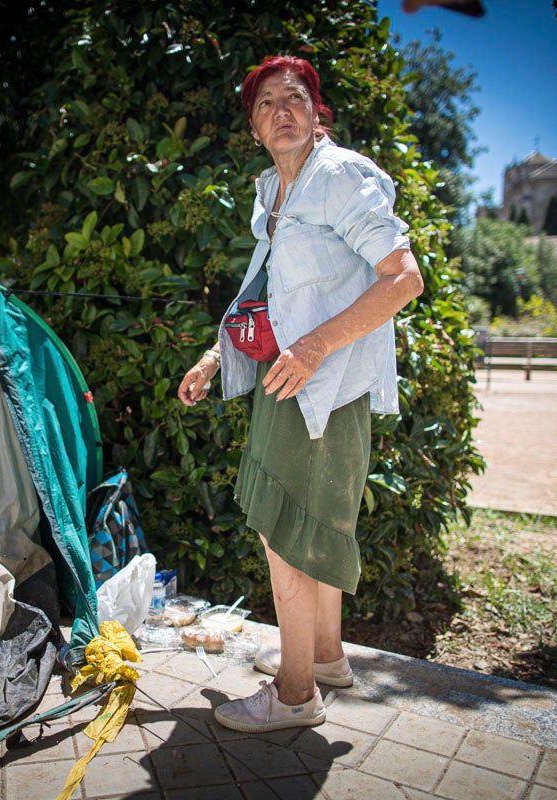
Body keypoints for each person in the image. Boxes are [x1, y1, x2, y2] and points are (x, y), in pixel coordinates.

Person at [177, 55, 424, 733]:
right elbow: (263, 288)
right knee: (307, 525)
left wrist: (316, 347)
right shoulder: (275, 191)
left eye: (295, 99)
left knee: (287, 531)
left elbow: (403, 279)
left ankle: (293, 696)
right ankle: (324, 658)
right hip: (286, 382)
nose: (280, 111)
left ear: (318, 116)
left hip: (324, 385)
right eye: (264, 103)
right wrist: (213, 354)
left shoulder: (340, 174)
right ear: (254, 128)